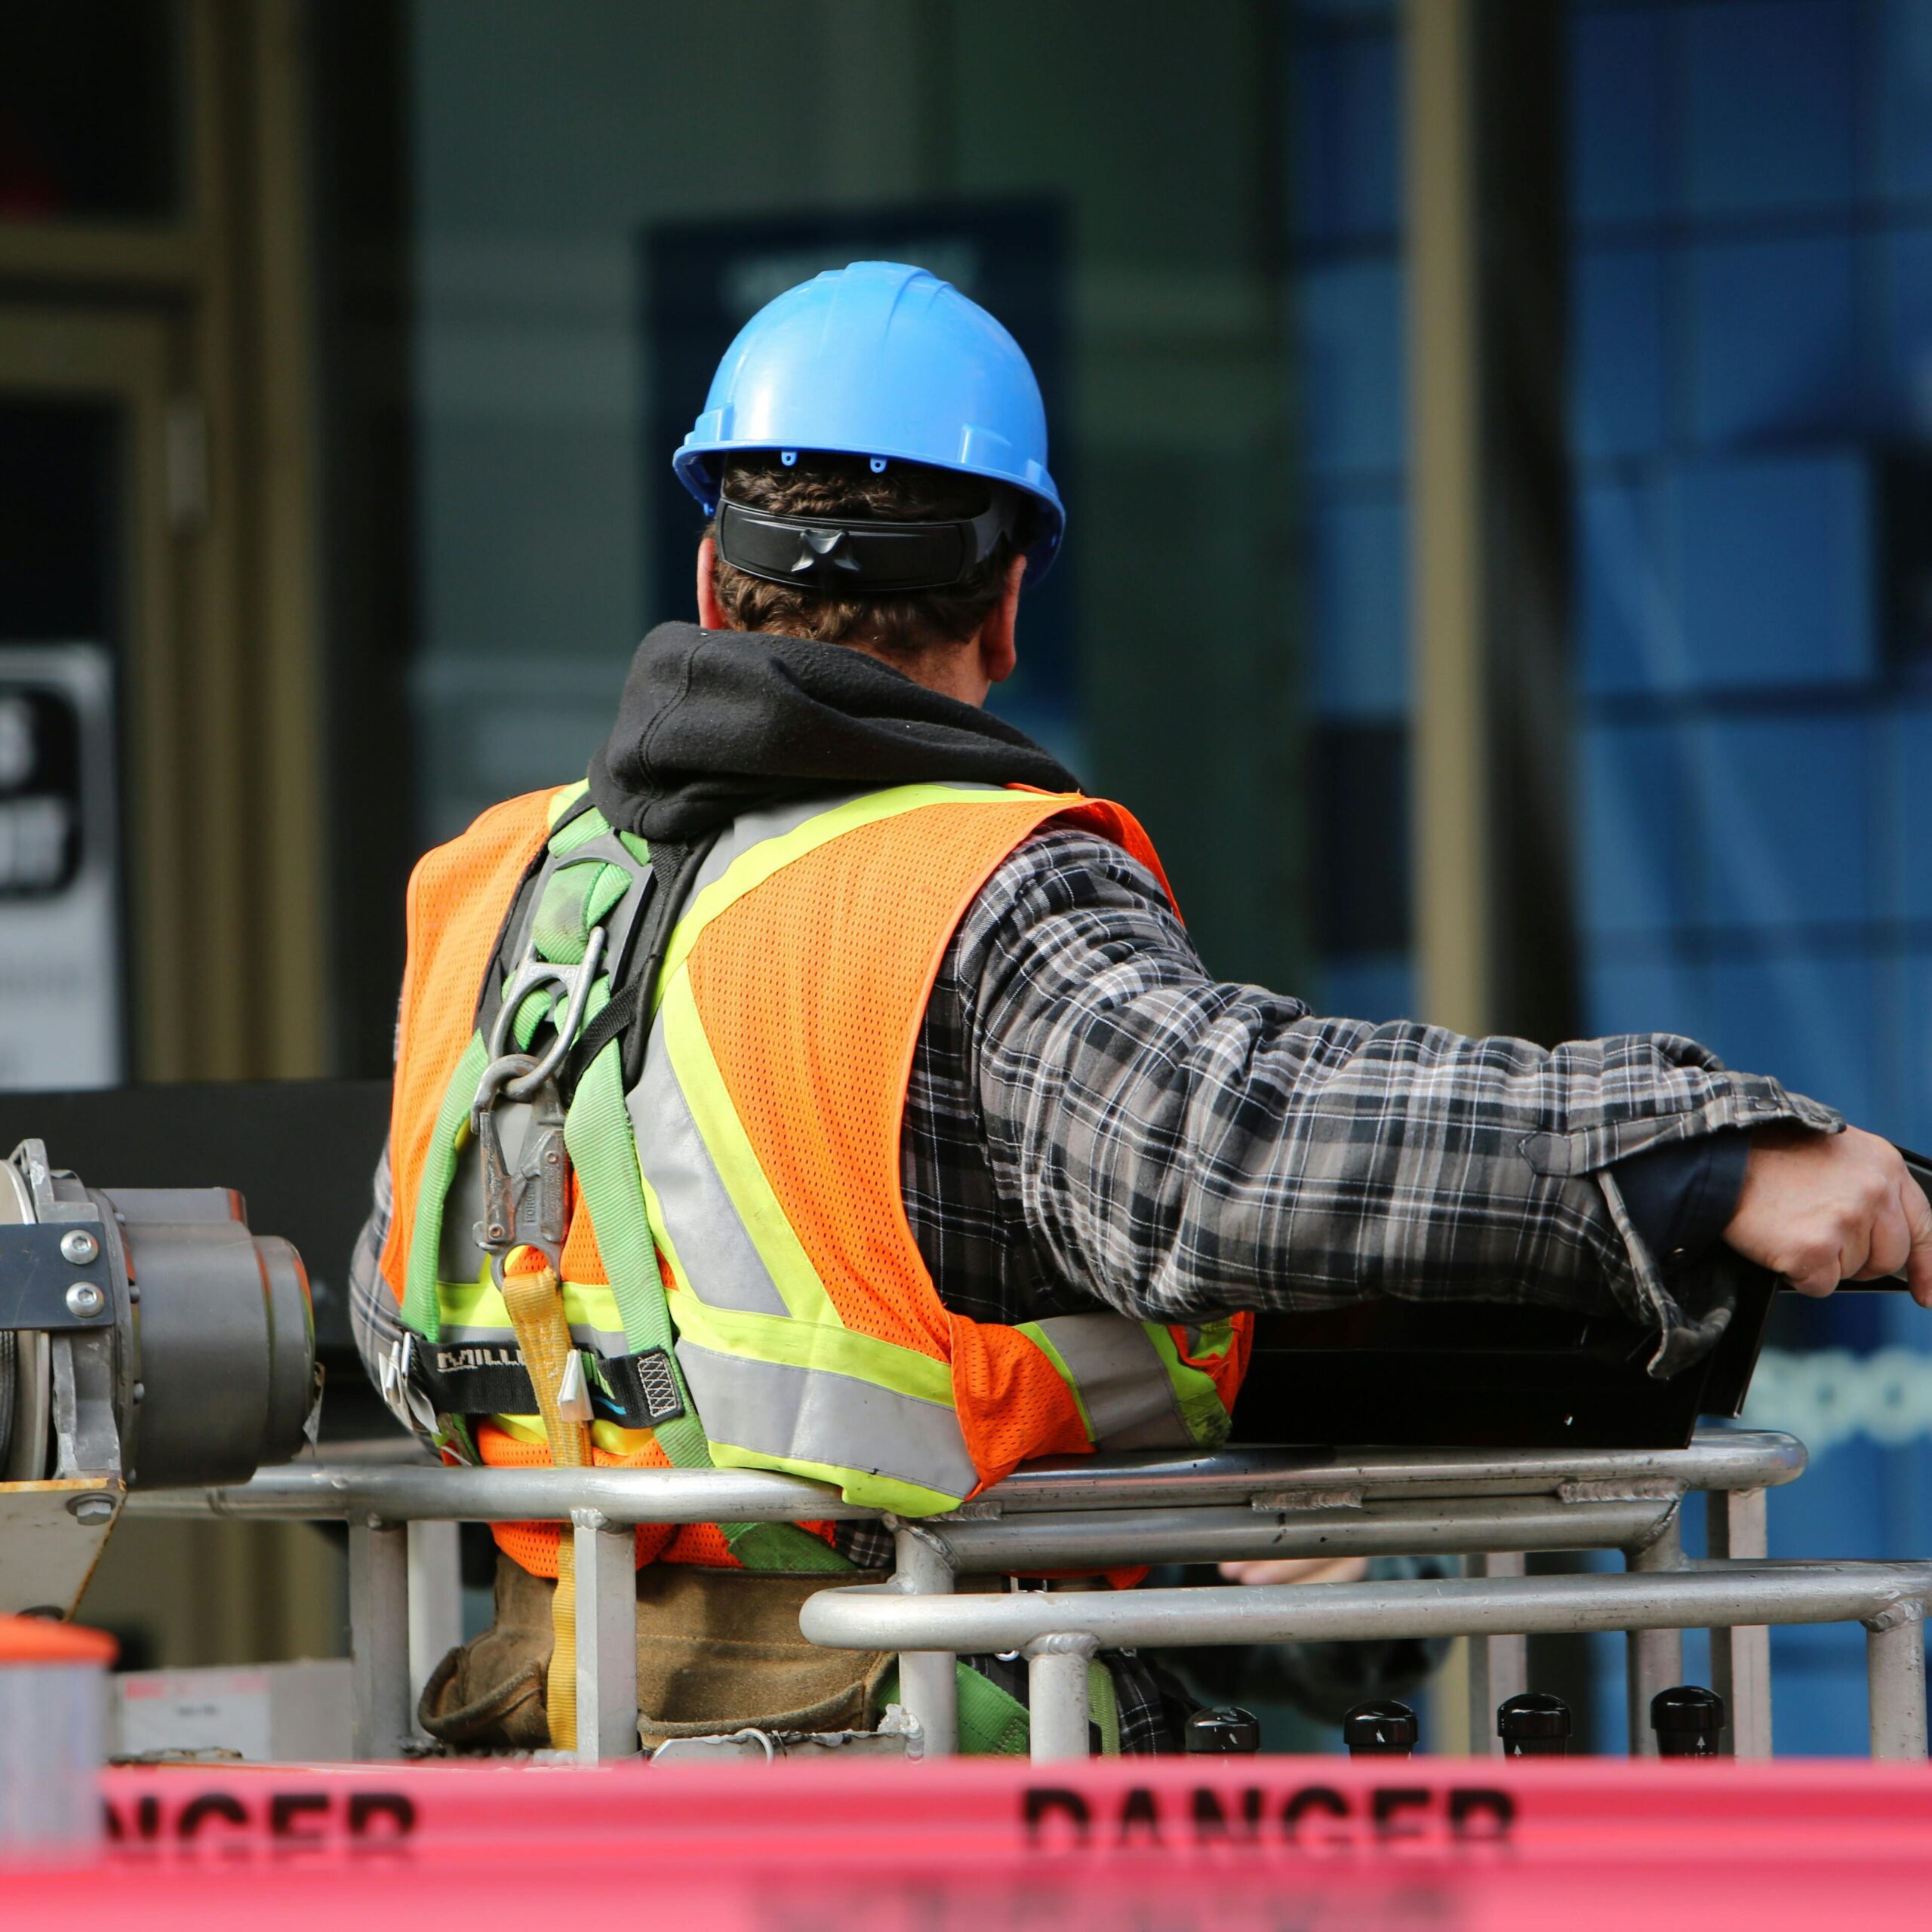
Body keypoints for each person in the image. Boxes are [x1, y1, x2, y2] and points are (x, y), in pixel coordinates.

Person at [349, 260, 1932, 1756]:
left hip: (553, 1754)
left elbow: (397, 1299)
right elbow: (1223, 1149)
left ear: (709, 572)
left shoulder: (491, 888)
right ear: (1009, 601)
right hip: (914, 1781)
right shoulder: (967, 888)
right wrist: (1700, 1154)